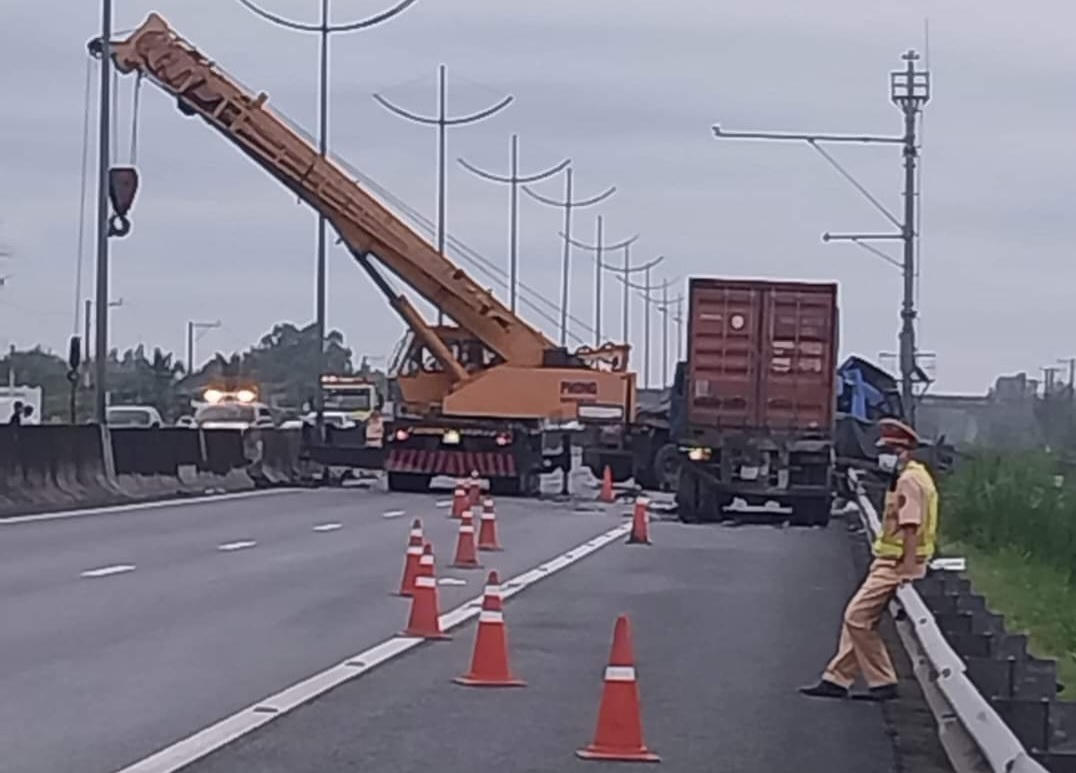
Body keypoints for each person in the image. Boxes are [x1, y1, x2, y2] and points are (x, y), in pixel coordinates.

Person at [799, 417, 939, 702]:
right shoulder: (914, 476)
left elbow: (910, 526)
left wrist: (908, 569)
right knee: (861, 621)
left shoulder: (910, 481)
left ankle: (883, 681)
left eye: (888, 451)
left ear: (903, 452)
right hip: (892, 560)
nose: (882, 458)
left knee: (857, 618)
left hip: (895, 564)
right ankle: (836, 679)